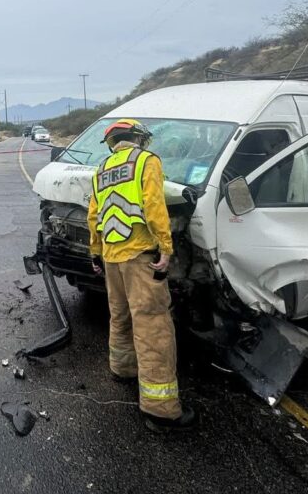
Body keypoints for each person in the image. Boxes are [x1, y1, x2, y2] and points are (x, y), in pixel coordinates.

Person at [86, 118, 196, 434]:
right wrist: (166, 247)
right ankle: (161, 410)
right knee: (153, 326)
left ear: (112, 143)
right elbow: (154, 206)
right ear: (138, 138)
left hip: (112, 257)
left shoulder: (101, 169)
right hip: (139, 255)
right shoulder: (146, 161)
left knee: (120, 316)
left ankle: (122, 368)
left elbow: (93, 215)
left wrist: (95, 251)